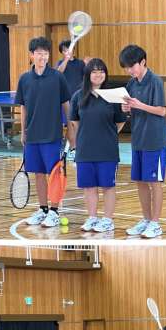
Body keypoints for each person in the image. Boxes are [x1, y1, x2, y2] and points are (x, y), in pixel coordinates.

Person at [15, 36, 71, 228]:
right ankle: (43, 209)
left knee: (54, 174)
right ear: (31, 55)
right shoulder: (24, 79)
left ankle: (54, 211)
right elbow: (23, 107)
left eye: (46, 53)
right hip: (32, 135)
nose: (43, 57)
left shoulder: (57, 77)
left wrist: (70, 130)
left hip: (52, 135)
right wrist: (23, 132)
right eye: (39, 53)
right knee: (38, 174)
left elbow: (66, 105)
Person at [119, 44, 166, 238]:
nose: (129, 70)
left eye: (132, 66)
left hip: (154, 140)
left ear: (143, 62)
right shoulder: (131, 84)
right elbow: (131, 108)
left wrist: (140, 105)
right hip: (138, 139)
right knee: (140, 181)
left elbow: (161, 110)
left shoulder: (155, 81)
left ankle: (156, 223)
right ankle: (146, 220)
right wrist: (127, 108)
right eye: (126, 67)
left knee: (154, 182)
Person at [69, 58, 127, 233]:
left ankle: (108, 220)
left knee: (108, 186)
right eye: (94, 71)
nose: (98, 74)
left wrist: (107, 134)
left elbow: (120, 122)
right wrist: (86, 136)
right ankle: (92, 218)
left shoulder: (113, 96)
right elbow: (75, 121)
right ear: (88, 74)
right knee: (89, 186)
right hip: (85, 149)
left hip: (107, 150)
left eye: (101, 71)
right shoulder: (78, 96)